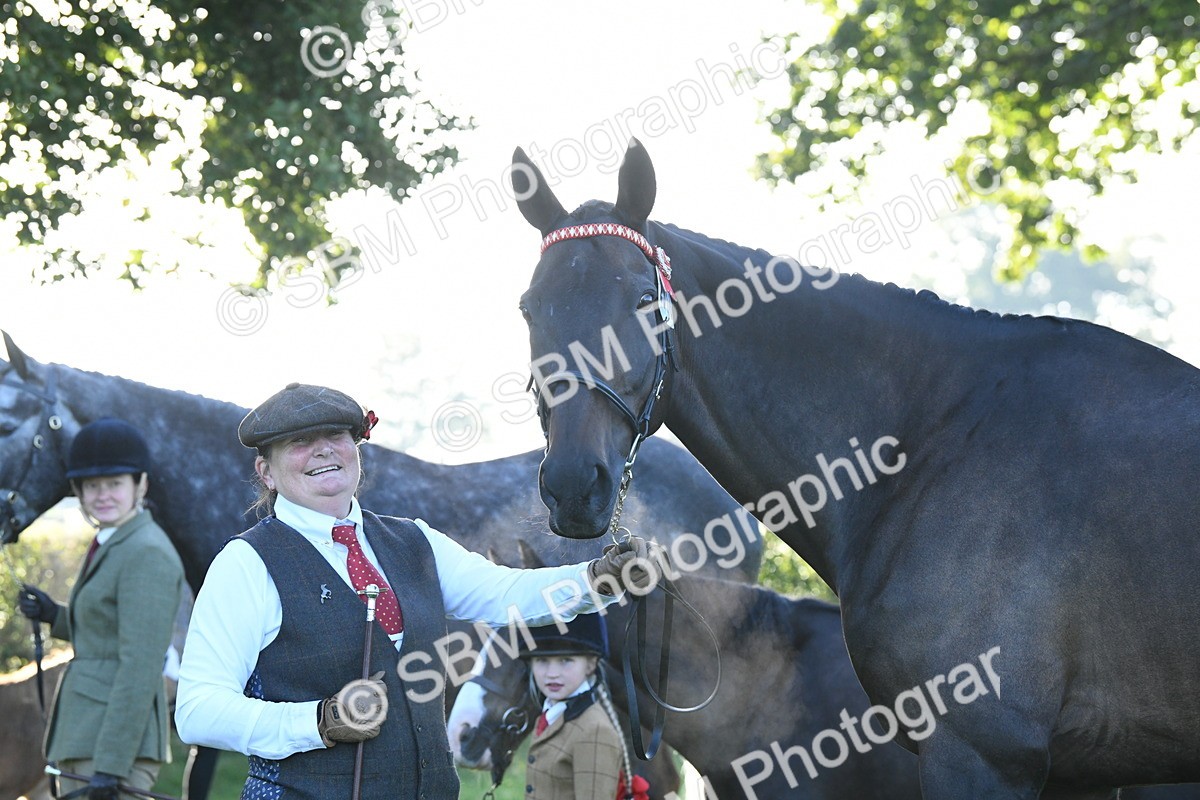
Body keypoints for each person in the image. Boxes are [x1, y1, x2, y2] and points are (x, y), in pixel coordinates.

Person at [174, 383, 662, 800]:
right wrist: (316, 723)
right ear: (266, 471)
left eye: (336, 436)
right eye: (300, 441)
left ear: (356, 449)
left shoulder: (414, 540)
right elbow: (198, 711)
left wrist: (596, 579)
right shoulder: (246, 564)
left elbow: (504, 593)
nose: (323, 450)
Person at [17, 418, 185, 800]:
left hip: (112, 746)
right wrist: (53, 615)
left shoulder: (146, 552)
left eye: (114, 483)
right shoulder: (113, 540)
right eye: (92, 485)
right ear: (78, 490)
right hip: (86, 732)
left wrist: (110, 766)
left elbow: (140, 667)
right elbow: (108, 632)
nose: (102, 494)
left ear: (140, 484)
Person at [522, 613, 648, 800]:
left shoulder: (594, 731)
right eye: (542, 660)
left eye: (566, 660)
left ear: (590, 665)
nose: (552, 674)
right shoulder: (551, 715)